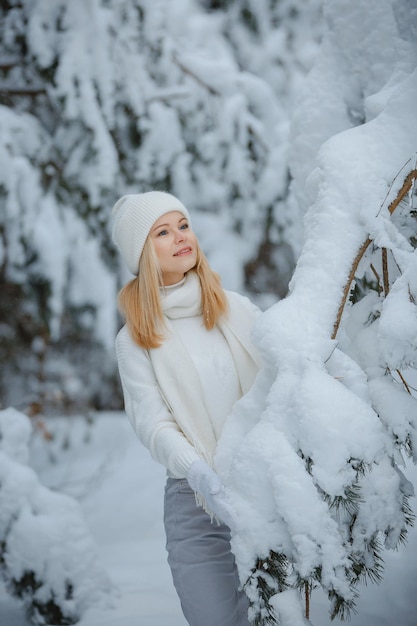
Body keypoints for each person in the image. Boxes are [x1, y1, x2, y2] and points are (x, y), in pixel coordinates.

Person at [111, 191, 262, 626]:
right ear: (143, 253)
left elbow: (287, 369)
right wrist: (199, 472)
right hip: (195, 499)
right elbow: (151, 421)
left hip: (262, 488)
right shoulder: (135, 339)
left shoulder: (235, 309)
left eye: (183, 225)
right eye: (163, 231)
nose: (181, 237)